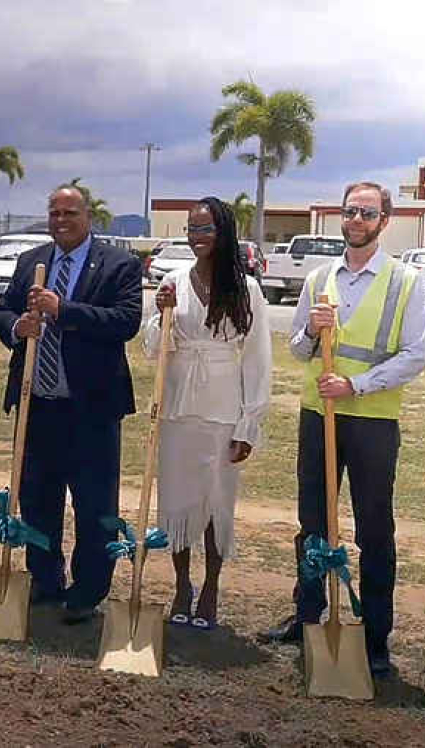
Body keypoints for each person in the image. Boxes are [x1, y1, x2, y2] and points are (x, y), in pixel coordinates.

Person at [261, 181, 425, 678]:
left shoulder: (405, 281)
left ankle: (376, 637)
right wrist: (313, 330)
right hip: (318, 416)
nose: (356, 219)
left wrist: (356, 385)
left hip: (372, 421)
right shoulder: (319, 279)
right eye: (350, 211)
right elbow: (296, 348)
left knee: (375, 530)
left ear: (384, 220)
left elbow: (416, 353)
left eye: (367, 213)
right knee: (313, 521)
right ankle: (308, 615)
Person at [0, 184, 142, 624]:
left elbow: (125, 322)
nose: (60, 220)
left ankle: (87, 590)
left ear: (88, 216)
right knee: (38, 498)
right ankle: (45, 579)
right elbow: (1, 310)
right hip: (37, 404)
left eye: (69, 212)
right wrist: (16, 326)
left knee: (94, 505)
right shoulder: (31, 261)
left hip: (91, 409)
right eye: (54, 212)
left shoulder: (119, 265)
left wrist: (64, 310)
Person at [145, 196, 271, 629]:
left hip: (222, 408)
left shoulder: (246, 288)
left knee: (216, 501)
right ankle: (182, 584)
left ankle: (212, 585)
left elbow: (257, 361)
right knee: (177, 500)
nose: (197, 238)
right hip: (178, 407)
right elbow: (150, 350)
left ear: (223, 234)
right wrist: (161, 315)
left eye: (206, 230)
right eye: (191, 229)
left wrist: (249, 424)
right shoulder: (174, 281)